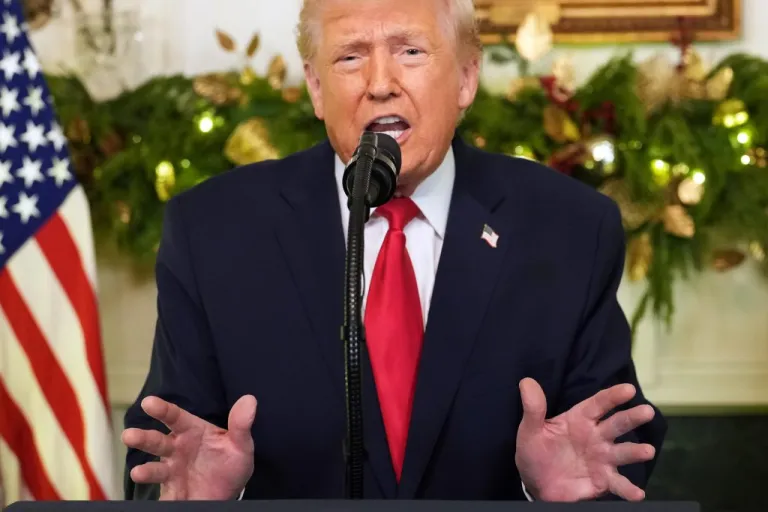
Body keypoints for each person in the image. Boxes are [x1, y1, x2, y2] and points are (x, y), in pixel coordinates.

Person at [122, 0, 667, 502]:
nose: (380, 83)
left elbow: (616, 444)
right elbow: (164, 458)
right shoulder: (213, 230)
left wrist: (551, 491)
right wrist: (212, 500)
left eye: (410, 51)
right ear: (315, 86)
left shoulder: (568, 227)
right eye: (350, 56)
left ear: (466, 77)